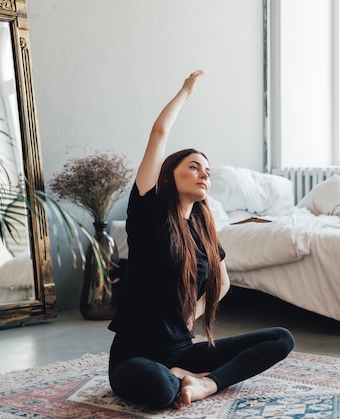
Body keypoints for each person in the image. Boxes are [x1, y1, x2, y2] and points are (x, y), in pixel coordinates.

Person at [107, 70, 295, 410]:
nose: (204, 173)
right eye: (194, 167)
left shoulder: (204, 229)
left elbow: (221, 283)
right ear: (169, 175)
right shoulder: (149, 215)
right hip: (135, 354)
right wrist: (185, 92)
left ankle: (206, 383)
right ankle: (180, 377)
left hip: (183, 348)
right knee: (159, 391)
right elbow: (159, 132)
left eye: (207, 170)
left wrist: (193, 312)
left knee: (282, 338)